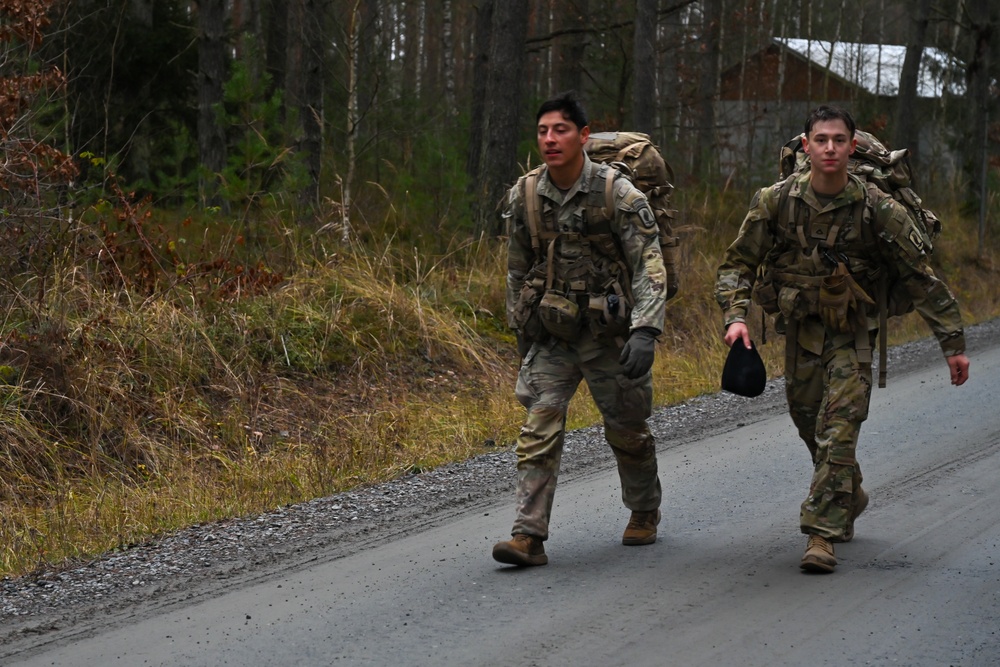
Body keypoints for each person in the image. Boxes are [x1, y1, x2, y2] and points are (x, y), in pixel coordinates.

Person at [715, 105, 970, 573]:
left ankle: (820, 536)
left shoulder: (877, 208)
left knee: (838, 429)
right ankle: (847, 492)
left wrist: (952, 344)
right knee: (809, 422)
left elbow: (921, 278)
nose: (829, 148)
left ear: (852, 148)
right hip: (802, 333)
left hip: (854, 334)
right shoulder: (775, 201)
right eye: (820, 140)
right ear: (806, 146)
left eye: (838, 140)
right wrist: (736, 317)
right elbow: (737, 263)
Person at [491, 91, 668, 567]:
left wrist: (646, 331)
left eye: (561, 130)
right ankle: (528, 536)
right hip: (554, 334)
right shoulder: (525, 195)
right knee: (538, 427)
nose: (550, 139)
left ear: (583, 136)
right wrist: (522, 333)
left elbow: (649, 265)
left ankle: (644, 509)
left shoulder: (618, 193)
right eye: (544, 131)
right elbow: (516, 269)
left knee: (627, 429)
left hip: (611, 336)